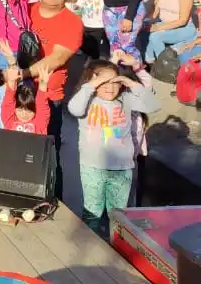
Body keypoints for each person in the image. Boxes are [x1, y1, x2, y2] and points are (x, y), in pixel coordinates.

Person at [68, 59, 159, 236]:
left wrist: (132, 84)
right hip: (92, 167)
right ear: (93, 81)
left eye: (114, 82)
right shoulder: (87, 101)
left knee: (118, 216)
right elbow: (74, 108)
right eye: (104, 82)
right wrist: (92, 84)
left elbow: (154, 105)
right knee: (92, 213)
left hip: (122, 169)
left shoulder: (126, 99)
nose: (109, 87)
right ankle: (92, 248)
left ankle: (117, 250)